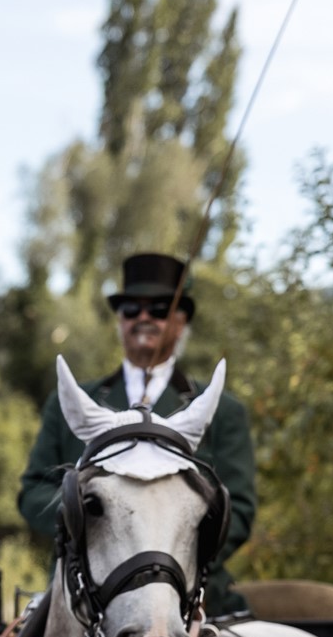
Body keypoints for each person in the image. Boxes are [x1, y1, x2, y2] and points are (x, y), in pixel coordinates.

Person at [16, 252, 257, 615]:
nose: (144, 317)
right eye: (131, 309)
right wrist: (89, 520)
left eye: (159, 309)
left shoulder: (223, 410)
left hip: (191, 597)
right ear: (119, 320)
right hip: (82, 596)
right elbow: (34, 491)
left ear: (181, 321)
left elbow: (237, 510)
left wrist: (173, 555)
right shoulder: (69, 401)